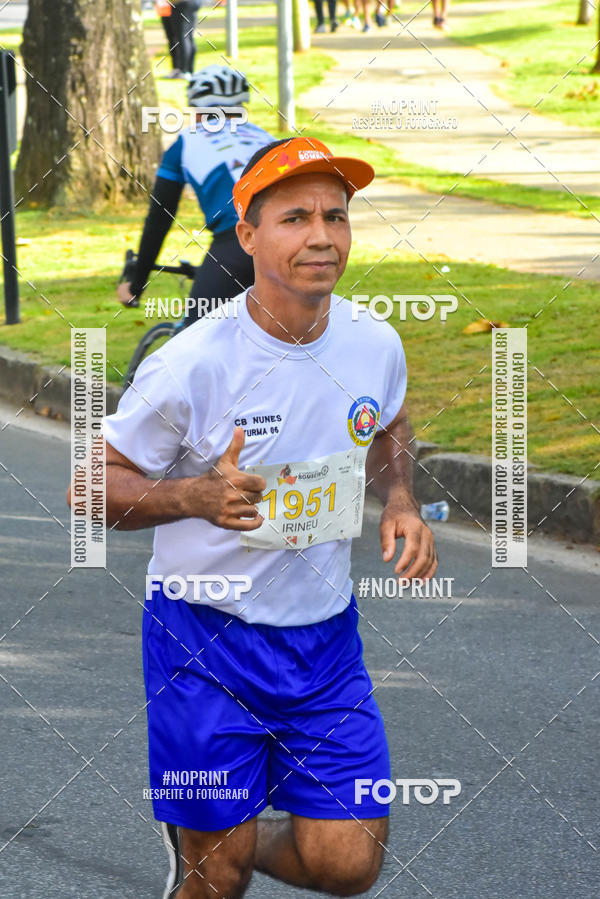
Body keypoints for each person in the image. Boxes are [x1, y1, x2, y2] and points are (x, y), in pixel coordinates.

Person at [91, 135, 437, 897]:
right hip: (203, 638)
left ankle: (235, 841)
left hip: (325, 642)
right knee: (218, 878)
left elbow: (388, 422)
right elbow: (92, 485)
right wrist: (193, 497)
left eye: (335, 216)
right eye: (295, 218)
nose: (322, 236)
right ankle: (216, 852)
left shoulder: (374, 341)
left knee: (349, 864)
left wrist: (400, 499)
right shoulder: (193, 362)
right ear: (247, 235)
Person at [117, 65, 274, 328]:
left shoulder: (186, 143)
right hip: (292, 239)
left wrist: (137, 285)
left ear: (198, 109)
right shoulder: (267, 138)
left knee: (196, 338)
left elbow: (159, 219)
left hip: (238, 242)